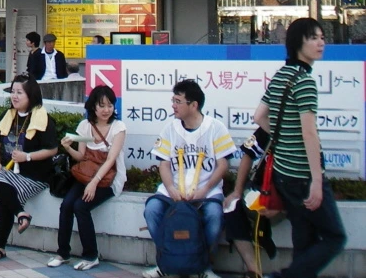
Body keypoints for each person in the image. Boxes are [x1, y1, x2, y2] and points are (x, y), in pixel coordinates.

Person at [253, 17, 346, 278]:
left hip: (283, 174)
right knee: (335, 237)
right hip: (304, 175)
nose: (321, 43)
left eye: (322, 38)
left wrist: (284, 138)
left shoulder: (281, 75)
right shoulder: (304, 81)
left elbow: (258, 116)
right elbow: (309, 132)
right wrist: (317, 180)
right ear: (298, 43)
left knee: (304, 239)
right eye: (313, 38)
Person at [141, 79, 235, 278]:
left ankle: (202, 267)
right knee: (152, 210)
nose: (173, 106)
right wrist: (171, 188)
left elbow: (223, 165)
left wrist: (205, 190)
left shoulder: (215, 127)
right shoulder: (170, 129)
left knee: (214, 215)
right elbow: (164, 164)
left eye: (178, 101)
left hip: (206, 190)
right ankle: (166, 263)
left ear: (194, 105)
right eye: (173, 100)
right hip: (174, 190)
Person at [0, 75, 59, 262]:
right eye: (12, 92)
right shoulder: (7, 116)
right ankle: (21, 214)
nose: (14, 96)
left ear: (31, 95)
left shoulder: (43, 119)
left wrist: (27, 157)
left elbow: (52, 149)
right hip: (12, 172)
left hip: (36, 175)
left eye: (19, 92)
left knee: (6, 197)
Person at [49, 85, 127, 271]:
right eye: (102, 105)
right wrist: (68, 147)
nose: (106, 110)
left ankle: (91, 256)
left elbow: (111, 160)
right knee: (66, 205)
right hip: (86, 176)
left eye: (110, 105)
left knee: (80, 206)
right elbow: (81, 157)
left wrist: (94, 183)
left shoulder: (118, 127)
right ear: (93, 107)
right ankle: (63, 253)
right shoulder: (85, 126)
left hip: (109, 179)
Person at [222, 126, 278, 278]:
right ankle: (254, 271)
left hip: (287, 194)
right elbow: (248, 155)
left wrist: (281, 205)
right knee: (232, 206)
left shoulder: (301, 132)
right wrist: (237, 191)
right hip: (260, 190)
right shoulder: (268, 127)